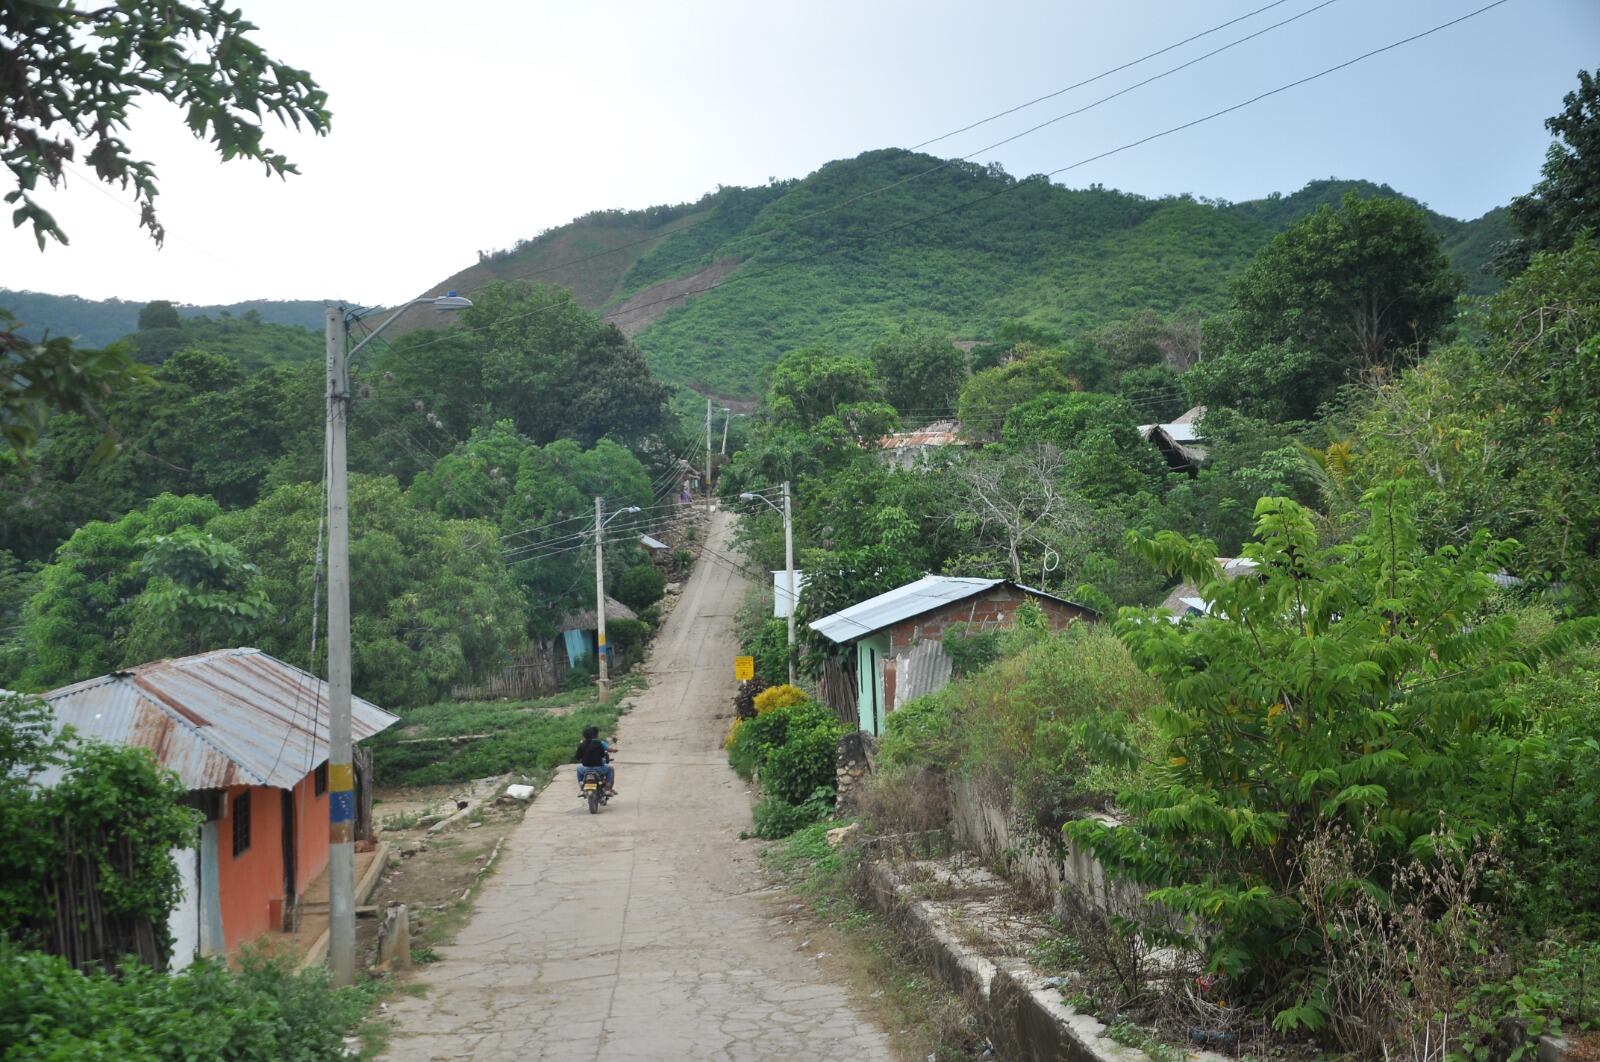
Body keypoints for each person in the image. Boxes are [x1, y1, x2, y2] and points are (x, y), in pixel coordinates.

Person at [573, 725, 615, 794]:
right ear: (595, 735)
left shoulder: (581, 744)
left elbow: (577, 757)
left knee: (578, 769)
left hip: (585, 769)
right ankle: (608, 787)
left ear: (584, 736)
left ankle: (581, 786)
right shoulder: (598, 743)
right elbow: (602, 754)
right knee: (610, 769)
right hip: (599, 768)